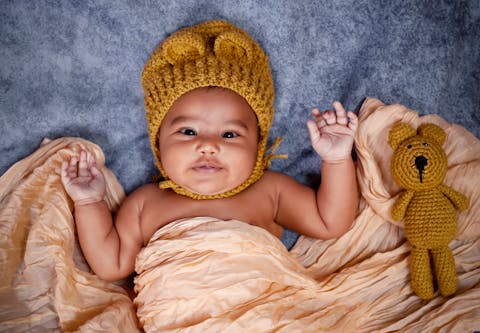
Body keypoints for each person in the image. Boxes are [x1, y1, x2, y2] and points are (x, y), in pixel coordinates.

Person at [61, 20, 358, 282]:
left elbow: (330, 221)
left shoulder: (270, 191)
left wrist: (336, 159)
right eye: (188, 132)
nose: (208, 145)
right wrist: (89, 202)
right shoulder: (145, 203)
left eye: (230, 134)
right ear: (158, 143)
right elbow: (111, 265)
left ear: (257, 145)